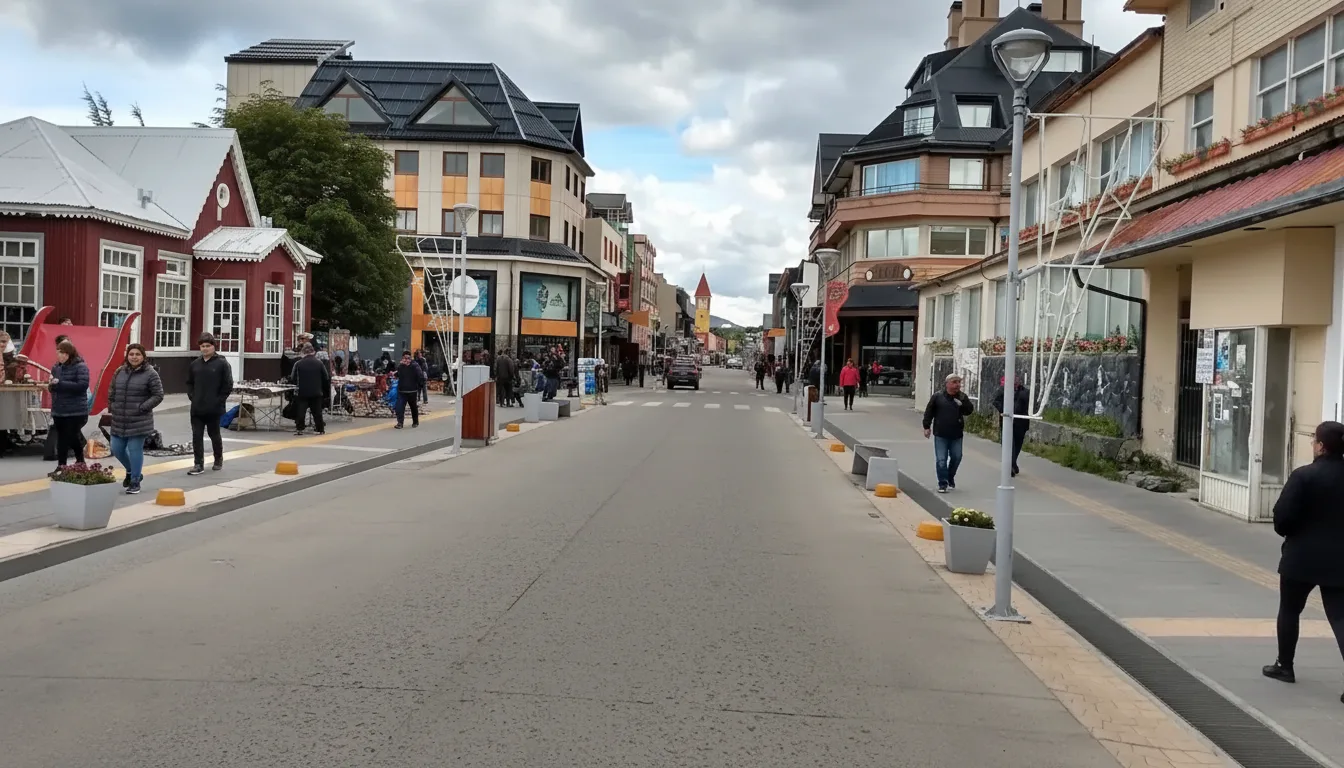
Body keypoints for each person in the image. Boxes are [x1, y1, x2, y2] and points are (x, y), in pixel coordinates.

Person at [1262, 421, 1344, 702]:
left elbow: (1282, 518)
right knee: (1340, 617)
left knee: (1289, 609)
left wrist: (1293, 531)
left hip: (1301, 557)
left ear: (1321, 446)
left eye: (1314, 441)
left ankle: (1285, 666)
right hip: (1340, 560)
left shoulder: (1304, 476)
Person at [106, 343, 163, 494]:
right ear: (127, 356)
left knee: (134, 449)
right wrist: (112, 405)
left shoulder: (150, 373)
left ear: (143, 356)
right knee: (116, 449)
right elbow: (112, 390)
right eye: (131, 354)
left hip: (139, 420)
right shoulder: (120, 371)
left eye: (138, 354)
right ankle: (131, 470)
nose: (134, 357)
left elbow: (158, 395)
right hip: (119, 418)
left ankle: (135, 481)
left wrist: (142, 407)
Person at [186, 333, 234, 476]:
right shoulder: (195, 364)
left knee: (214, 434)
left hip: (214, 408)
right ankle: (198, 463)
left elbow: (227, 385)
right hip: (197, 407)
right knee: (197, 436)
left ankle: (218, 459)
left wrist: (219, 400)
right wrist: (192, 397)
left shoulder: (222, 363)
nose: (205, 349)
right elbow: (189, 383)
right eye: (202, 346)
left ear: (213, 346)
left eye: (208, 346)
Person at [922, 373, 975, 493]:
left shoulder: (962, 397)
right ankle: (943, 483)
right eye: (954, 382)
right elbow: (929, 412)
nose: (957, 385)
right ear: (947, 384)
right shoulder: (938, 397)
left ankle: (950, 476)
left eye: (959, 382)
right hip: (941, 433)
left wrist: (963, 403)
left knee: (957, 457)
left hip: (956, 434)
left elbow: (969, 411)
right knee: (941, 459)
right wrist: (926, 427)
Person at [48, 339, 90, 469]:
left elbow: (82, 385)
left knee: (71, 436)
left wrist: (60, 384)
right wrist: (51, 385)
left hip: (76, 410)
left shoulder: (80, 366)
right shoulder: (56, 367)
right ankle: (62, 466)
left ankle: (79, 461)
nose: (61, 356)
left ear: (70, 354)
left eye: (64, 353)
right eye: (59, 353)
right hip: (59, 409)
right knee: (62, 438)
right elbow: (53, 387)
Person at [992, 375, 1032, 477]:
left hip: (1021, 422)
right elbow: (995, 401)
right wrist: (1005, 410)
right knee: (1008, 444)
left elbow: (1030, 404)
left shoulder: (1025, 392)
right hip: (1007, 421)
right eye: (1013, 381)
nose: (1014, 383)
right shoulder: (1003, 390)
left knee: (1018, 444)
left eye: (1016, 381)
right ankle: (1010, 465)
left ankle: (1013, 463)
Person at [291, 343, 330, 436]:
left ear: (303, 352)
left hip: (302, 392)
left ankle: (300, 429)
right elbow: (326, 377)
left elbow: (293, 377)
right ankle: (320, 429)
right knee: (317, 412)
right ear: (313, 352)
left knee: (301, 411)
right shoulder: (319, 363)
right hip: (316, 391)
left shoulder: (298, 363)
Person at [394, 351, 423, 429]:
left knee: (413, 407)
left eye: (408, 358)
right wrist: (396, 373)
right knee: (400, 407)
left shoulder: (415, 366)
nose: (406, 360)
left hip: (412, 391)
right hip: (402, 390)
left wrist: (419, 386)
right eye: (404, 358)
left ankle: (415, 422)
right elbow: (398, 374)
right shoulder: (401, 366)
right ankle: (400, 423)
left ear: (411, 358)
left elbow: (420, 376)